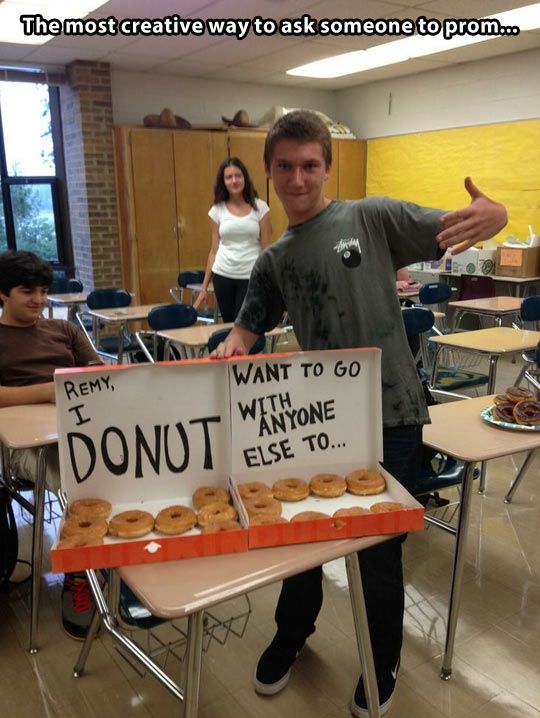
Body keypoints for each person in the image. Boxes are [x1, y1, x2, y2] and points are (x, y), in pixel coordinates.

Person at [212, 111, 507, 716]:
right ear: (268, 171)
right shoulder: (274, 260)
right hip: (316, 421)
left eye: (310, 165)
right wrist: (236, 344)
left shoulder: (370, 218)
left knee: (377, 551)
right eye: (286, 166)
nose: (298, 178)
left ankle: (382, 658)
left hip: (391, 412)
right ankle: (293, 634)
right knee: (299, 538)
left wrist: (495, 215)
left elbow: (462, 224)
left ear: (327, 165)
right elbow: (249, 323)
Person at [0, 250, 100, 640]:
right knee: (78, 478)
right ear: (3, 294)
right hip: (22, 446)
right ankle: (79, 574)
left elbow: (95, 373)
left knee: (124, 464)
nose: (40, 301)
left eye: (43, 291)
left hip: (78, 429)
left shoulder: (65, 331)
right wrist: (51, 389)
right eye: (28, 292)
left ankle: (111, 554)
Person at [194, 157, 271, 322]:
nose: (234, 180)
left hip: (250, 275)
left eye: (238, 175)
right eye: (229, 177)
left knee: (245, 324)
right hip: (223, 275)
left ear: (245, 178)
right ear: (223, 182)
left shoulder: (260, 207)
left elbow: (266, 249)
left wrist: (269, 282)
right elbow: (214, 250)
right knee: (229, 326)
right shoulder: (217, 210)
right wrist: (204, 288)